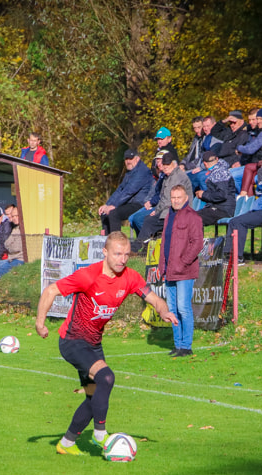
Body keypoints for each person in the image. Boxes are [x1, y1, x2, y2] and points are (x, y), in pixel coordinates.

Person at [35, 232, 178, 455]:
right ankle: (100, 435)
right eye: (118, 254)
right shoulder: (88, 276)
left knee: (94, 396)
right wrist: (40, 322)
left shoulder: (130, 277)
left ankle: (67, 443)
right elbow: (51, 290)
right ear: (105, 252)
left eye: (127, 254)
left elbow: (155, 299)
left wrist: (165, 311)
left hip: (93, 345)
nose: (123, 259)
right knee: (106, 378)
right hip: (73, 342)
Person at [160, 185, 203, 357]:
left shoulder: (193, 217)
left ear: (186, 198)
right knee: (172, 309)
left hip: (184, 271)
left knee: (184, 308)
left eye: (179, 197)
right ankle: (178, 345)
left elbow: (197, 244)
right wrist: (162, 265)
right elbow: (164, 243)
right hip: (169, 270)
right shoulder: (168, 216)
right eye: (173, 197)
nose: (176, 200)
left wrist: (182, 263)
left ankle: (186, 346)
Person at [135, 152, 192, 243]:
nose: (165, 167)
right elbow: (163, 197)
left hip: (179, 211)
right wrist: (157, 210)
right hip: (170, 209)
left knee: (149, 222)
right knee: (147, 219)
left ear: (173, 164)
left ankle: (138, 248)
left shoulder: (176, 177)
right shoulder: (168, 176)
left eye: (167, 164)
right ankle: (146, 245)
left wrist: (158, 211)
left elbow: (170, 200)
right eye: (164, 164)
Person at [98, 149, 152, 235]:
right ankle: (106, 240)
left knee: (113, 213)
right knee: (104, 212)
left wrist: (114, 205)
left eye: (130, 159)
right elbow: (120, 190)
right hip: (130, 202)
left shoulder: (142, 172)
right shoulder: (130, 172)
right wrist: (107, 204)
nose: (128, 161)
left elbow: (128, 192)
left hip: (140, 204)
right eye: (126, 159)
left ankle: (116, 242)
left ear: (137, 159)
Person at [195, 150, 237, 225]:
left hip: (223, 209)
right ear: (217, 159)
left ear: (205, 164)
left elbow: (222, 195)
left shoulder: (219, 173)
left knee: (194, 218)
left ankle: (198, 237)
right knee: (191, 216)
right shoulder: (220, 170)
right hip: (220, 207)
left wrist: (203, 194)